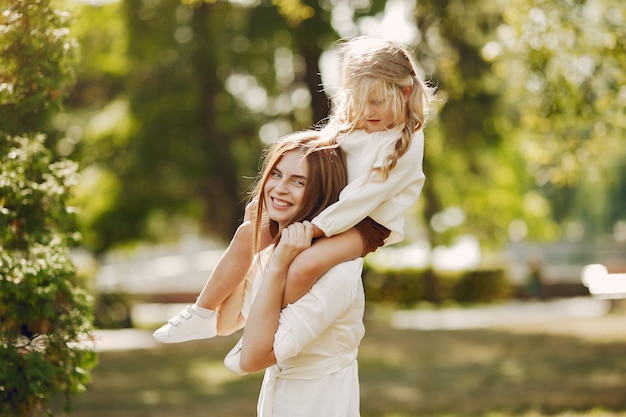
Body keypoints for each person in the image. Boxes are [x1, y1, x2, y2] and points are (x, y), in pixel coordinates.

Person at [153, 34, 433, 343]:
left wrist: (310, 229)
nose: (367, 111)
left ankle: (267, 332)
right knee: (248, 233)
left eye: (377, 101)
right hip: (324, 210)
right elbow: (316, 158)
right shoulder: (357, 124)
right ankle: (202, 313)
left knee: (305, 264)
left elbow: (359, 200)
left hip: (365, 225)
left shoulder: (404, 143)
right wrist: (274, 208)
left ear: (406, 92)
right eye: (358, 101)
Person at [215, 132, 366, 417]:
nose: (279, 189)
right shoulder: (271, 254)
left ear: (321, 194)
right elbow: (226, 322)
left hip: (321, 404)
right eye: (276, 174)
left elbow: (253, 358)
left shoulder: (338, 273)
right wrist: (249, 246)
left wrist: (278, 267)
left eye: (298, 181)